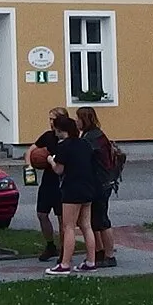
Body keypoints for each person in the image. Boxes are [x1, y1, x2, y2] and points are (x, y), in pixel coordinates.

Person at [45, 114, 101, 275]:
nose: (54, 131)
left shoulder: (64, 146)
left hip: (72, 189)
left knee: (68, 227)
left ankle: (64, 264)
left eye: (55, 128)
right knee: (86, 225)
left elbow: (59, 170)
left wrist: (50, 160)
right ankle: (91, 261)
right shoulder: (84, 143)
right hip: (88, 187)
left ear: (61, 130)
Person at [76, 106, 119, 268]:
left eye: (78, 118)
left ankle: (109, 255)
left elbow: (85, 159)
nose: (76, 121)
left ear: (85, 120)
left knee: (101, 219)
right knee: (94, 219)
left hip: (100, 183)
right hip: (102, 182)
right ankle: (100, 252)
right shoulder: (95, 135)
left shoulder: (91, 138)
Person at [32, 106, 68, 262]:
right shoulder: (47, 136)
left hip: (62, 183)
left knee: (62, 218)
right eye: (50, 119)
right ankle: (50, 245)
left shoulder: (69, 138)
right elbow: (31, 150)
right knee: (41, 214)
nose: (51, 122)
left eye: (53, 119)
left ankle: (64, 250)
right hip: (48, 181)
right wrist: (29, 166)